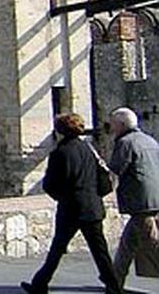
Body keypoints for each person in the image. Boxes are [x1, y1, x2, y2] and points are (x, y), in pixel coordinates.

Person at [21, 113, 123, 294]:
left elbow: (50, 184)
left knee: (57, 249)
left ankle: (40, 284)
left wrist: (62, 197)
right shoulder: (88, 149)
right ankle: (114, 287)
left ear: (60, 130)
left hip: (70, 208)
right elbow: (101, 178)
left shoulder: (60, 153)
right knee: (100, 251)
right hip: (92, 206)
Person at [107, 107, 159, 285]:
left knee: (151, 242)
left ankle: (115, 280)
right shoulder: (149, 140)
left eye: (113, 124)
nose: (111, 128)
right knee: (128, 243)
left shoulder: (125, 143)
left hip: (141, 201)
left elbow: (116, 168)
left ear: (121, 124)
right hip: (154, 197)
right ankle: (115, 279)